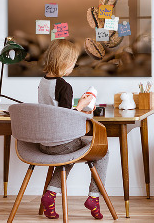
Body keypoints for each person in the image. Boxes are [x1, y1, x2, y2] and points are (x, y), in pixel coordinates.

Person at [38, 39, 108, 220]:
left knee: (68, 154)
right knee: (103, 151)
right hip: (61, 143)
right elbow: (65, 118)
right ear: (64, 62)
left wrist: (77, 107)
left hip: (44, 143)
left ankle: (50, 195)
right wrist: (83, 105)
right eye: (73, 63)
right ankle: (94, 197)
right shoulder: (64, 86)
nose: (73, 66)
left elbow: (55, 111)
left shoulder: (43, 82)